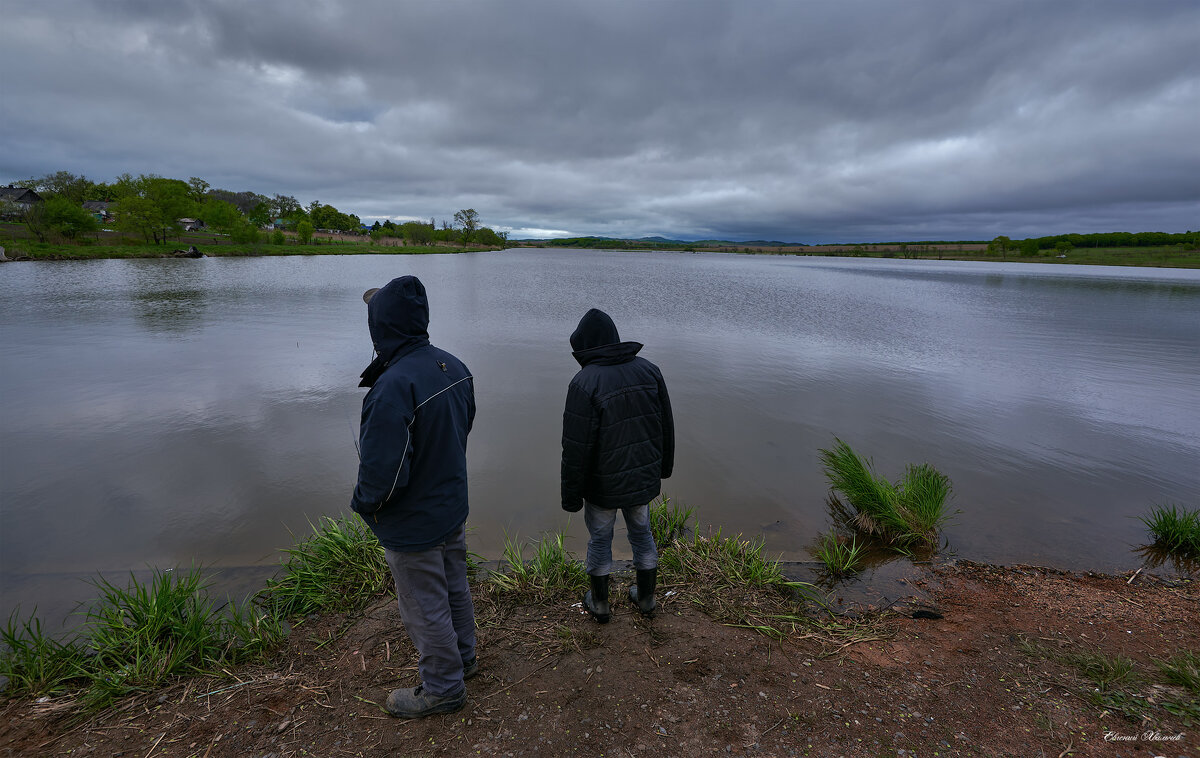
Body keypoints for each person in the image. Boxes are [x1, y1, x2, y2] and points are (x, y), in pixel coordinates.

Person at [351, 275, 477, 718]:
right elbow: (461, 431)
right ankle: (464, 659)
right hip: (450, 507)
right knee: (453, 587)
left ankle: (444, 688)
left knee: (424, 605)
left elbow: (383, 478)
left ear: (381, 326)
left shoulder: (392, 388)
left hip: (414, 521)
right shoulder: (454, 366)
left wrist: (365, 506)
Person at [560, 308, 674, 623]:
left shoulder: (584, 383)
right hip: (641, 478)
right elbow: (666, 427)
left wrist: (571, 495)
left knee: (600, 538)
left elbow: (575, 448)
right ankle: (647, 598)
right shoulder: (650, 371)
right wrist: (662, 469)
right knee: (642, 532)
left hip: (602, 486)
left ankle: (599, 603)